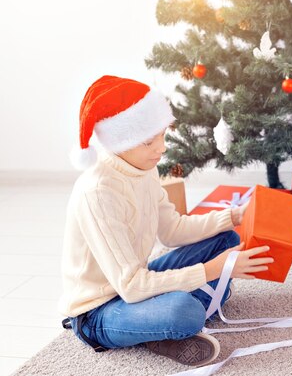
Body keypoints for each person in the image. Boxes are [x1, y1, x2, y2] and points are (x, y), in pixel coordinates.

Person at [59, 75, 273, 367]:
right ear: (122, 142)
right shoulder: (98, 192)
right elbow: (132, 286)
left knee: (227, 239)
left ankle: (153, 327)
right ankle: (158, 326)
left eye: (162, 134)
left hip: (135, 280)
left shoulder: (142, 167)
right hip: (98, 311)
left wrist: (233, 216)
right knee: (185, 311)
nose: (161, 148)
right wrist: (213, 269)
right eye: (149, 141)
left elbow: (173, 231)